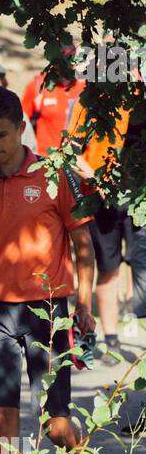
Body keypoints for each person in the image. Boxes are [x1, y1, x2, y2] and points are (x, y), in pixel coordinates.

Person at [0, 86, 111, 454]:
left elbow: (83, 244)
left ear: (22, 128)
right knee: (2, 424)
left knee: (56, 426)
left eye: (2, 135)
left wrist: (83, 304)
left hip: (47, 312)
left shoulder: (54, 175)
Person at [67, 95, 135, 358]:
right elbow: (70, 152)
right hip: (102, 197)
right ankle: (111, 338)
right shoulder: (88, 101)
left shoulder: (139, 98)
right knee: (109, 268)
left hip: (138, 195)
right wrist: (97, 181)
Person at [20, 56, 85, 155]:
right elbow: (21, 123)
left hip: (78, 160)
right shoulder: (38, 86)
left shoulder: (84, 88)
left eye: (69, 58)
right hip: (45, 158)